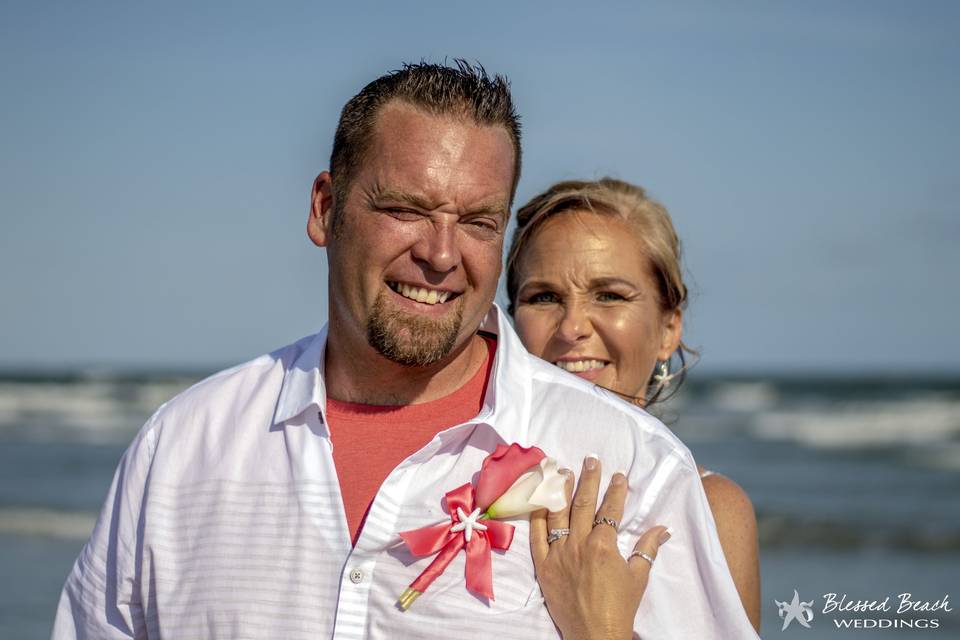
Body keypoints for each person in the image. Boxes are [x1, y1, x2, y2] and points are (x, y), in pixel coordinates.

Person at [52, 63, 758, 639]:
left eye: (477, 221)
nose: (441, 254)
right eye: (406, 210)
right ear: (326, 208)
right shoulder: (183, 447)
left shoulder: (632, 472)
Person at [506, 178, 761, 633]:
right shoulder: (464, 476)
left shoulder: (713, 510)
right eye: (543, 297)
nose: (571, 327)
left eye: (609, 295)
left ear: (667, 328)